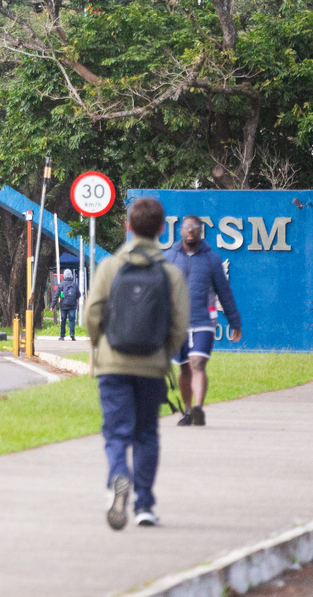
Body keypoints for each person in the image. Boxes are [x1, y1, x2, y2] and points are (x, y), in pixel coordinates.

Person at [84, 197, 189, 530]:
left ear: (128, 226)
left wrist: (101, 346)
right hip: (152, 366)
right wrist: (163, 353)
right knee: (146, 433)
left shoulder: (110, 267)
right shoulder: (170, 272)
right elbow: (180, 323)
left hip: (113, 365)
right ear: (161, 229)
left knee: (116, 433)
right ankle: (144, 504)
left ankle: (118, 476)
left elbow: (92, 314)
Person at [165, 215, 242, 427]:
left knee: (197, 363)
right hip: (177, 324)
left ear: (200, 231)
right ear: (181, 230)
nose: (190, 231)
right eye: (187, 227)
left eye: (195, 227)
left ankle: (198, 408)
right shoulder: (169, 257)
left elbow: (224, 292)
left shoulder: (212, 259)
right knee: (184, 369)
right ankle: (187, 411)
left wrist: (235, 322)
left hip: (204, 321)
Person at [50, 268, 81, 341]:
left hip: (63, 305)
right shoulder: (75, 284)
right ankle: (72, 333)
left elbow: (56, 296)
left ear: (64, 276)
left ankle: (62, 336)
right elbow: (78, 295)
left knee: (63, 320)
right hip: (72, 305)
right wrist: (74, 299)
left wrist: (52, 306)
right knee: (72, 320)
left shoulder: (61, 285)